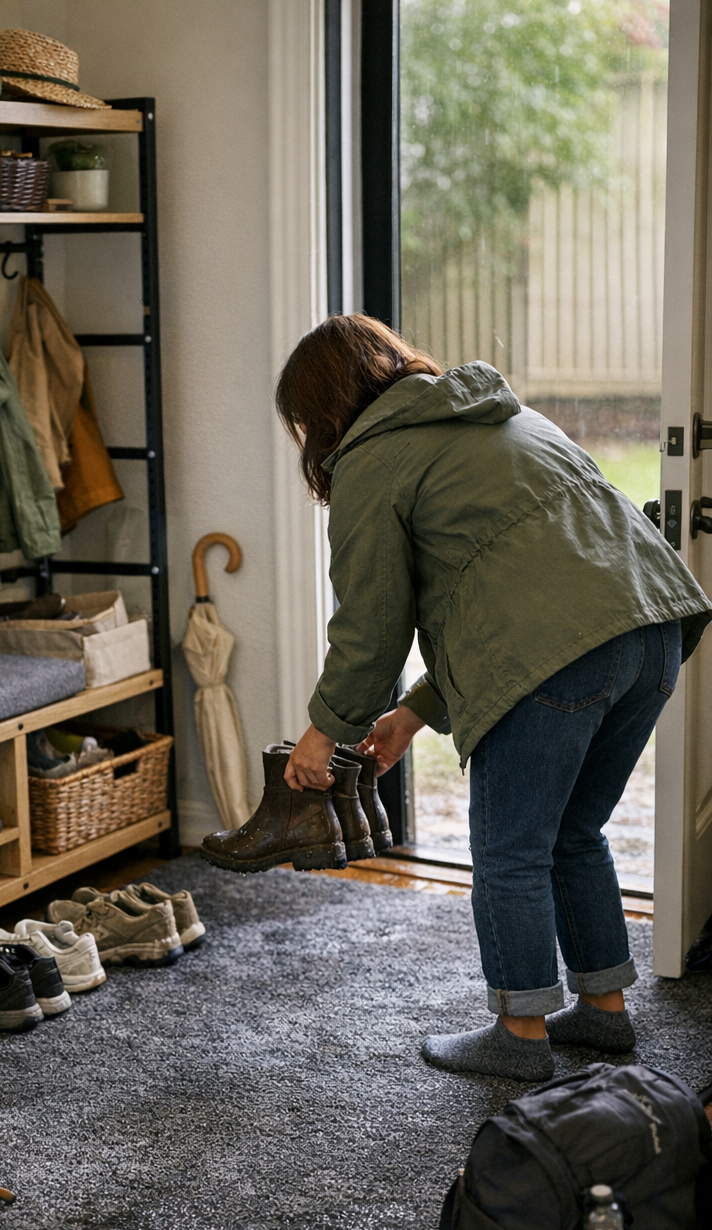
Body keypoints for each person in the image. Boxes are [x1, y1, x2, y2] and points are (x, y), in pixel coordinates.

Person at [277, 315, 711, 1082]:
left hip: (560, 653)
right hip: (651, 631)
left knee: (510, 852)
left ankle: (520, 1031)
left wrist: (323, 732)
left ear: (319, 413)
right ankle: (605, 1010)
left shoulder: (373, 460)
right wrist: (413, 714)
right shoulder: (505, 418)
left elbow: (373, 625)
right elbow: (509, 590)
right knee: (574, 832)